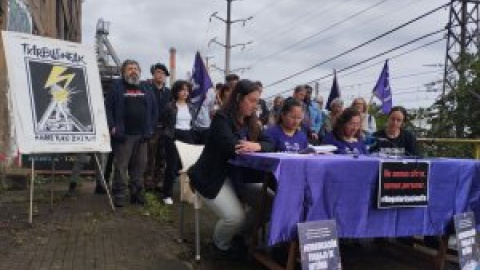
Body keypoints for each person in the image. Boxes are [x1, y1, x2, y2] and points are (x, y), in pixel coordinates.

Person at [188, 79, 274, 260]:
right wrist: (250, 145)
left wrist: (257, 145)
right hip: (212, 177)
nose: (255, 105)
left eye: (257, 101)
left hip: (238, 178)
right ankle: (220, 245)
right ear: (238, 98)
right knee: (235, 217)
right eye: (251, 100)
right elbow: (231, 146)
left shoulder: (253, 122)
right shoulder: (221, 118)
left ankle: (238, 235)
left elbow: (270, 143)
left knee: (271, 203)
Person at [106, 59, 158, 207]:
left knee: (139, 166)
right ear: (123, 72)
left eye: (136, 68)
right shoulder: (116, 87)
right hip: (124, 135)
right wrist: (112, 126)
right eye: (130, 68)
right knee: (121, 166)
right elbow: (108, 108)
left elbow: (154, 110)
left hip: (142, 135)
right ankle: (120, 194)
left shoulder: (146, 87)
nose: (133, 71)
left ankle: (136, 193)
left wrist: (150, 128)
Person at [161, 80, 195, 205]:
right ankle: (167, 194)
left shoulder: (191, 106)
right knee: (172, 166)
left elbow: (192, 122)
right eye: (182, 90)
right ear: (176, 91)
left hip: (188, 135)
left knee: (189, 166)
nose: (185, 92)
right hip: (173, 136)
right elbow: (165, 121)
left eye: (187, 90)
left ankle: (187, 193)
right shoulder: (170, 106)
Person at [144, 62, 171, 191]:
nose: (160, 75)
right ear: (153, 74)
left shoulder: (168, 92)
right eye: (158, 72)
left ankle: (159, 180)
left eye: (163, 73)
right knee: (149, 155)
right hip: (151, 128)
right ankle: (148, 181)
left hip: (165, 128)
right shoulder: (147, 89)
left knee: (162, 156)